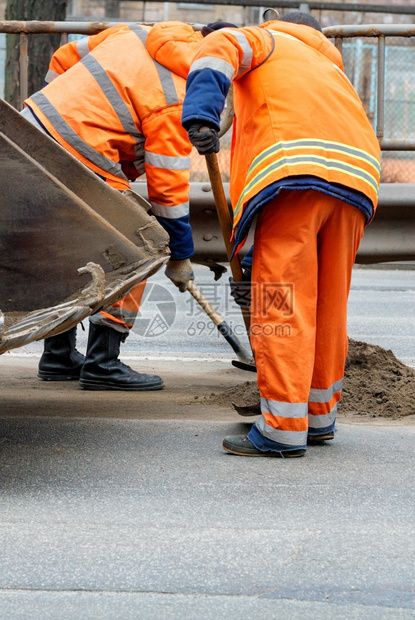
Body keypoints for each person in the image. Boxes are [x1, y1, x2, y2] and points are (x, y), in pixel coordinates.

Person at [182, 13, 381, 457]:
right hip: (357, 182)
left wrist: (201, 114)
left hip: (294, 172)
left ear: (276, 21)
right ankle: (317, 417)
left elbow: (217, 51)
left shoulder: (265, 39)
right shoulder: (327, 66)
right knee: (328, 305)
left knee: (281, 300)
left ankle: (282, 428)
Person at [21, 21, 202, 390]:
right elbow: (167, 194)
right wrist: (180, 255)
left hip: (29, 131)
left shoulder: (135, 33)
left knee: (68, 247)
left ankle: (57, 355)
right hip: (80, 154)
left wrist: (59, 109)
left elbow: (63, 56)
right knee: (138, 243)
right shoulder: (178, 98)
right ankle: (103, 362)